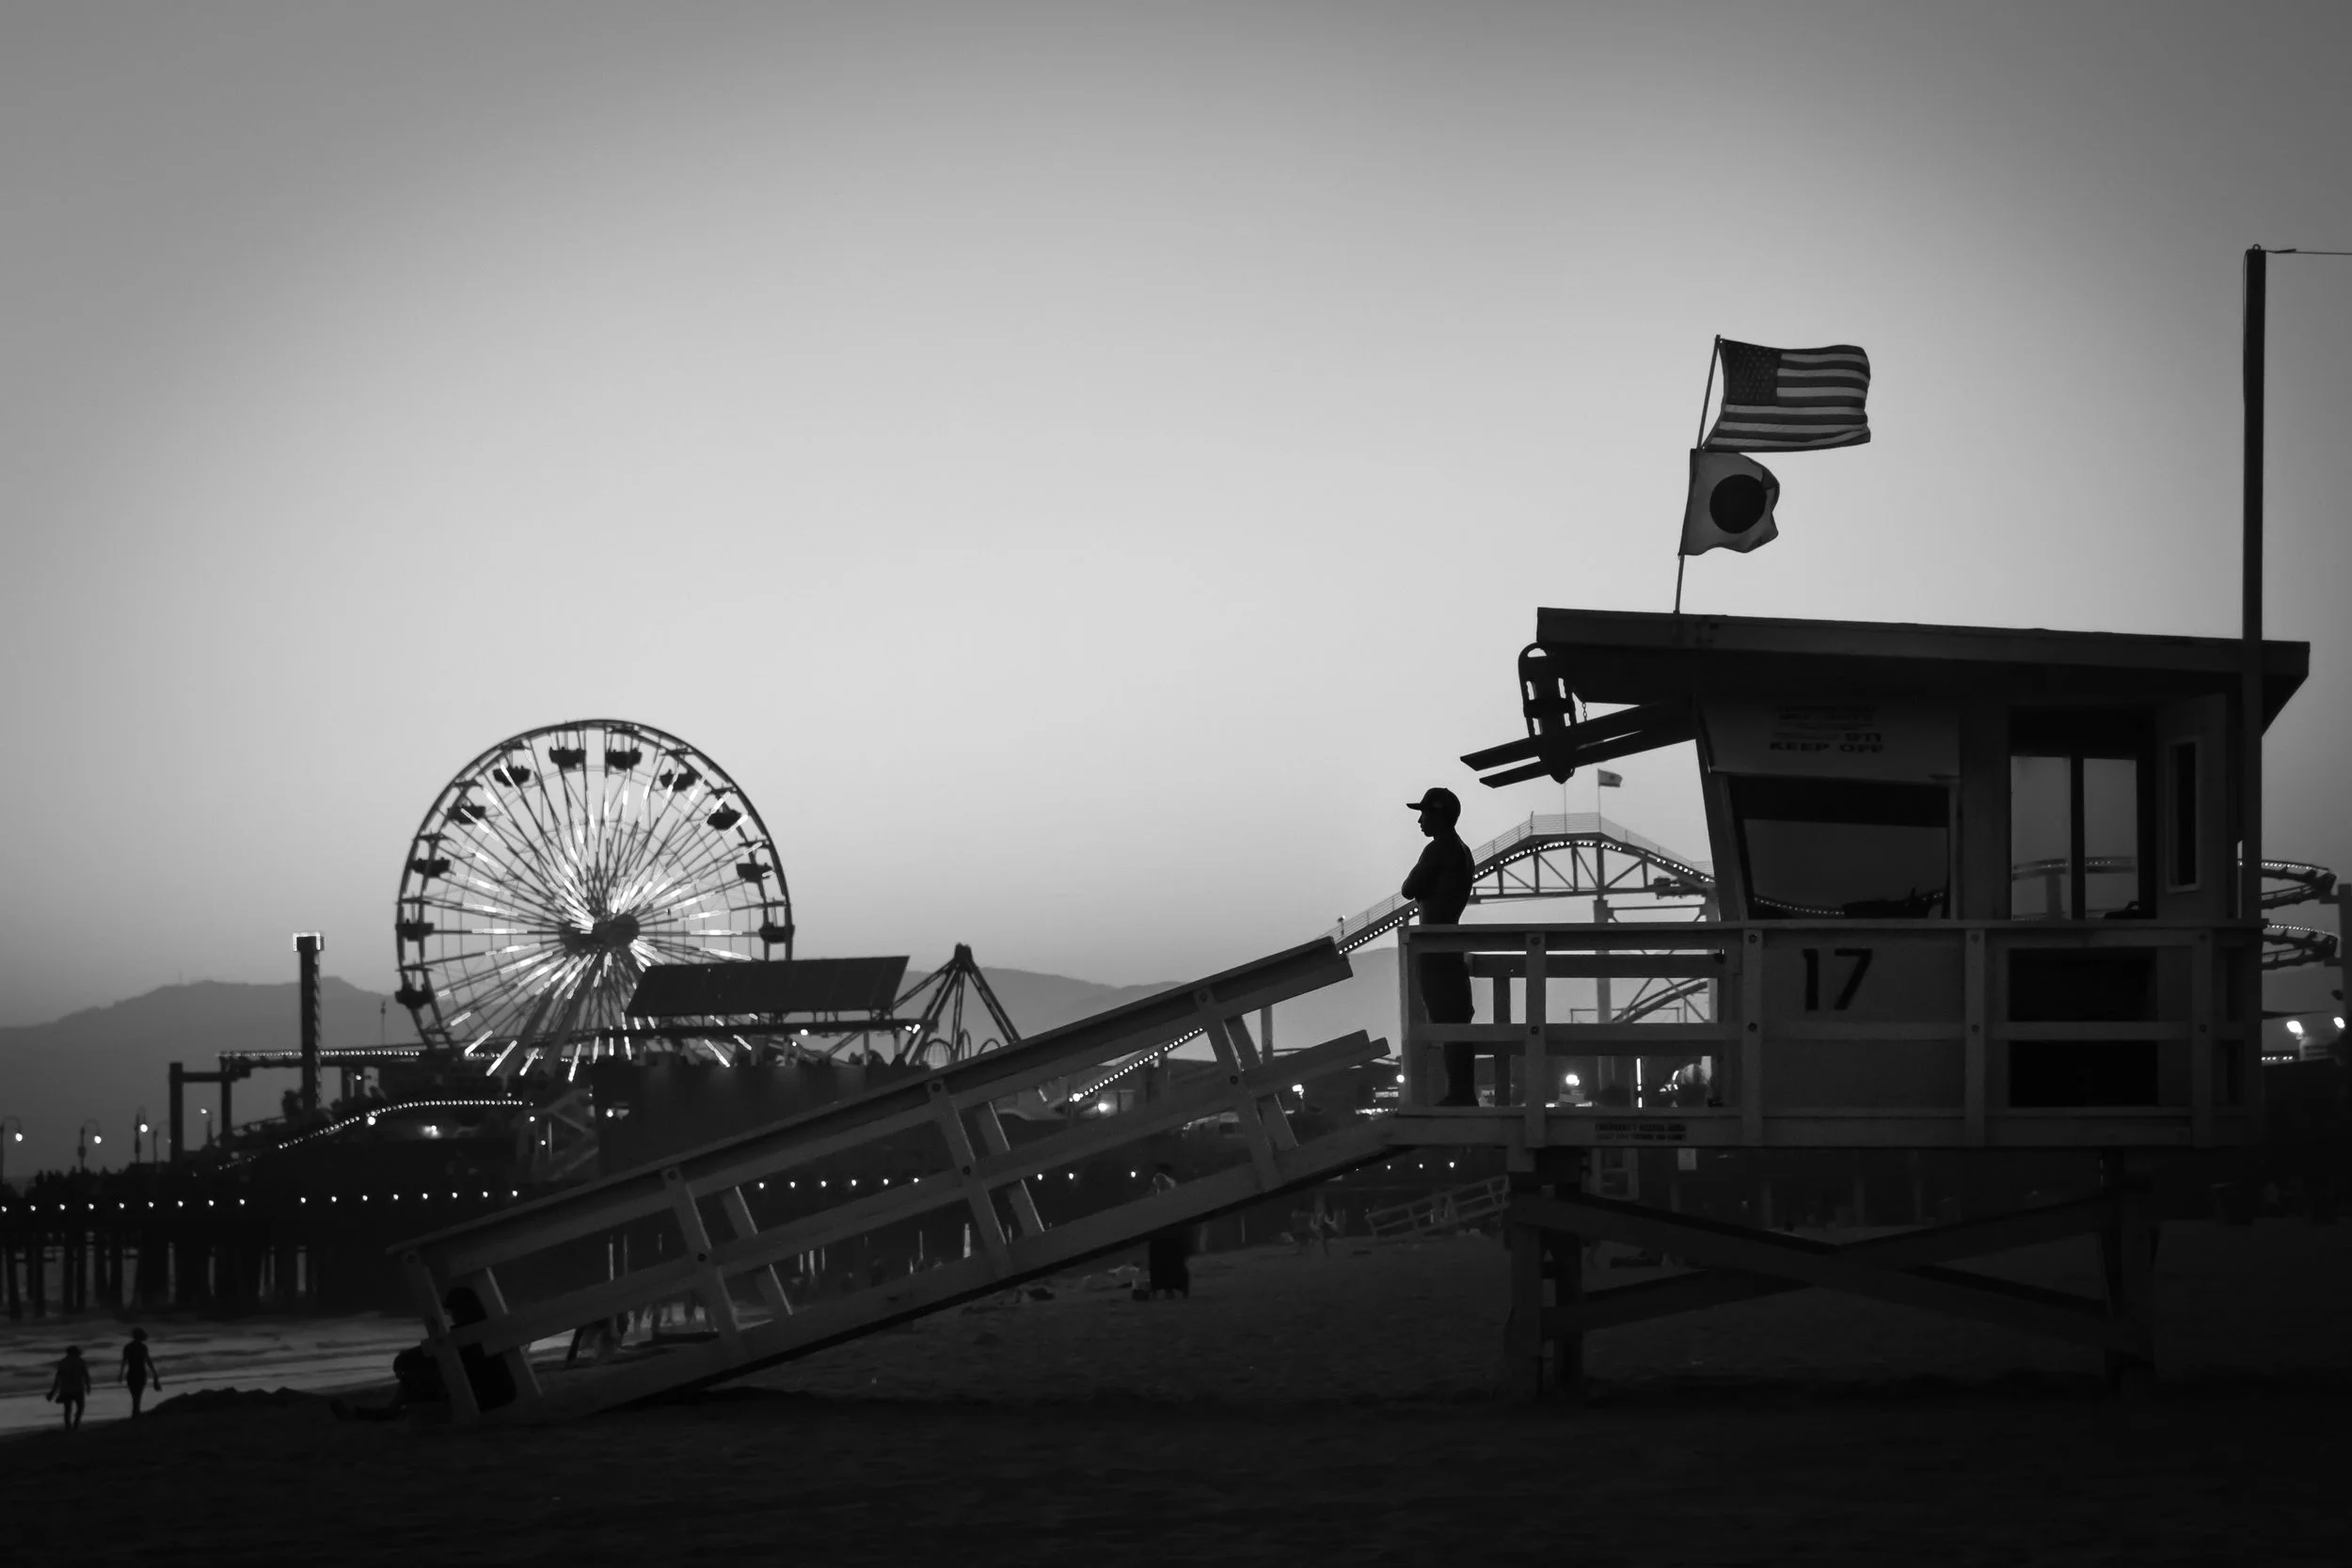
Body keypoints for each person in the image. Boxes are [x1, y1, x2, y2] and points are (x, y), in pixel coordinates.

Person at [1403, 786, 1478, 1105]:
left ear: (1439, 816)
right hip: (1451, 943)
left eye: (1424, 814)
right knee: (1457, 1020)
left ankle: (1458, 1094)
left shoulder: (1438, 849)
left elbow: (1409, 889)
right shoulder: (1463, 850)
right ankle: (1461, 1091)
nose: (1420, 820)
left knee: (1447, 1020)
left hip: (1435, 948)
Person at [1144, 1164, 1192, 1299]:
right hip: (1167, 1231)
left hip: (1164, 1231)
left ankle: (1166, 1289)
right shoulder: (1170, 1185)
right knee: (1170, 1260)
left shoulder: (1161, 1186)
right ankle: (1171, 1289)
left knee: (1165, 1261)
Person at [47, 1346, 93, 1432]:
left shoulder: (63, 1362)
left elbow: (58, 1378)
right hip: (78, 1388)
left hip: (66, 1388)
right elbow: (86, 1376)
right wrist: (88, 1386)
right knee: (80, 1407)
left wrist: (53, 1392)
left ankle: (68, 1426)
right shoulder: (81, 1362)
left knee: (67, 1409)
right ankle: (76, 1425)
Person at [119, 1327, 160, 1418]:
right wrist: (155, 1374)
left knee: (134, 1395)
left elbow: (124, 1361)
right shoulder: (143, 1347)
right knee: (138, 1395)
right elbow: (148, 1361)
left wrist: (121, 1374)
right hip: (141, 1373)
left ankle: (135, 1412)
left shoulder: (127, 1347)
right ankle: (136, 1412)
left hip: (131, 1373)